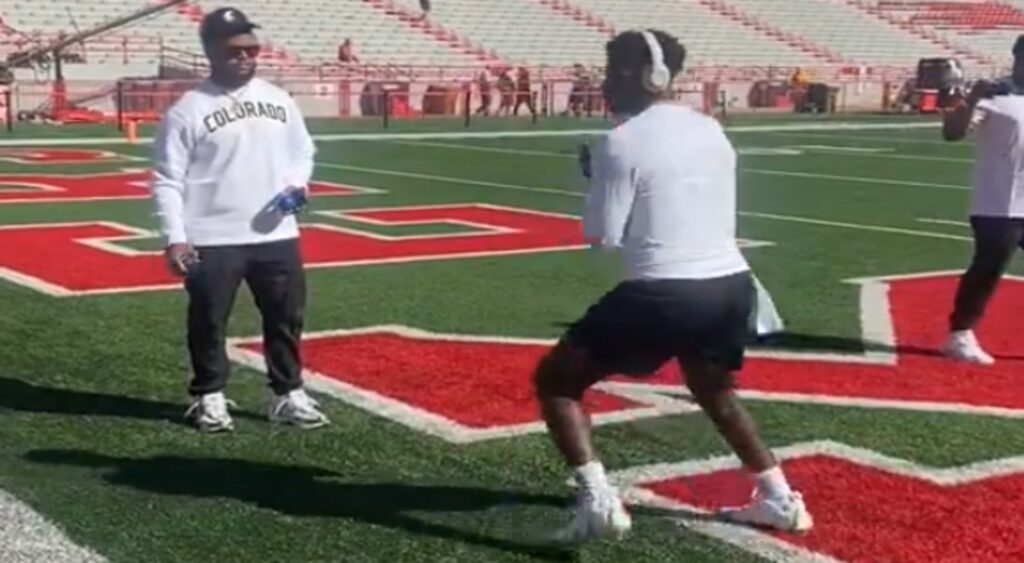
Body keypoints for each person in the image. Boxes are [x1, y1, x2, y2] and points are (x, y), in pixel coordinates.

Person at [532, 29, 812, 544]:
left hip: (667, 291)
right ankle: (779, 498)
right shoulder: (710, 127)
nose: (607, 81)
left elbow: (602, 238)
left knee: (556, 382)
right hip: (730, 284)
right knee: (715, 391)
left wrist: (593, 181)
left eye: (617, 70)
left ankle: (597, 500)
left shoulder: (621, 141)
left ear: (653, 76)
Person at [150, 6, 329, 432]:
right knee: (209, 319)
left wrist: (297, 185)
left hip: (276, 233)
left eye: (252, 48)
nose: (246, 57)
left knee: (286, 317)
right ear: (211, 51)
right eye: (235, 50)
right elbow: (167, 179)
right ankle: (209, 396)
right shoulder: (187, 110)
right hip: (212, 236)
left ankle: (286, 394)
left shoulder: (278, 99)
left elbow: (303, 152)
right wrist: (175, 237)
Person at [939, 37, 1024, 365]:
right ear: (1016, 57)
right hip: (999, 203)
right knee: (989, 268)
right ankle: (959, 334)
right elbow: (953, 132)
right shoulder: (994, 93)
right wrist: (970, 99)